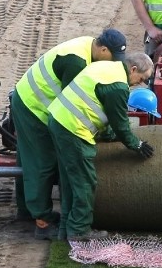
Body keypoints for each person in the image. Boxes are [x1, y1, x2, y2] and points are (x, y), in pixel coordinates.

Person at [11, 28, 128, 240]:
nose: (114, 63)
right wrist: (107, 132)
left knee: (28, 157)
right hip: (33, 108)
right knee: (42, 163)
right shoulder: (77, 63)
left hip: (29, 100)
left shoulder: (87, 46)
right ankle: (42, 222)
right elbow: (74, 105)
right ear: (102, 49)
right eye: (113, 57)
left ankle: (25, 210)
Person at [47, 52, 156, 241]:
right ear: (133, 69)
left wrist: (108, 134)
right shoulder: (118, 86)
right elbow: (120, 123)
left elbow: (97, 105)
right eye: (141, 79)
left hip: (57, 119)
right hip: (73, 129)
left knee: (69, 179)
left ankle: (66, 228)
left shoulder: (107, 68)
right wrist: (136, 144)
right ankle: (80, 231)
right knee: (84, 181)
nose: (139, 84)